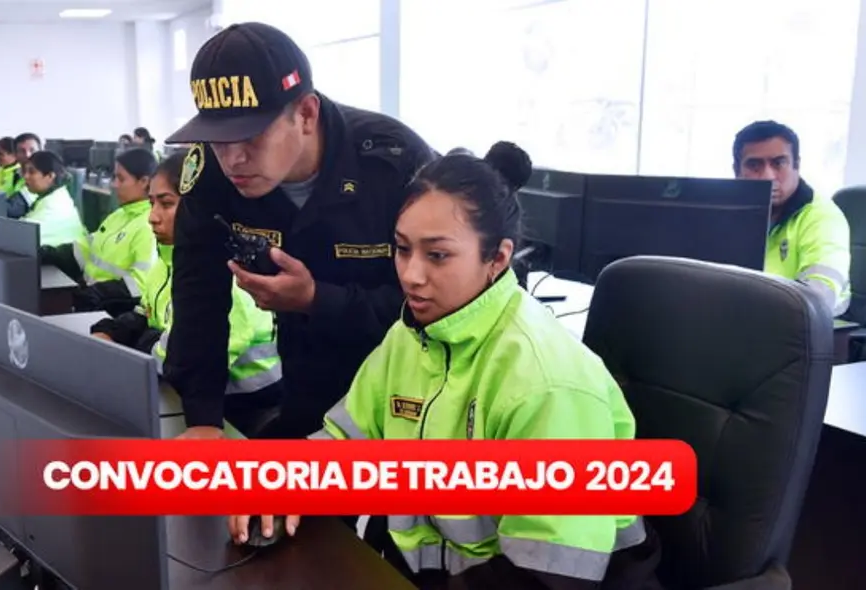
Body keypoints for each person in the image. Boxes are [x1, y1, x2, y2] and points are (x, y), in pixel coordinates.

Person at [227, 143, 664, 590]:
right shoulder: (413, 333)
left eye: (437, 255)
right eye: (401, 249)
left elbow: (545, 577)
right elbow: (347, 442)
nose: (411, 275)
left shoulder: (546, 382)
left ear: (497, 258)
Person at [162, 22, 435, 440]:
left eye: (249, 136)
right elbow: (197, 296)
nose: (233, 159)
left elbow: (441, 308)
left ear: (305, 114)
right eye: (218, 139)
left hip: (409, 403)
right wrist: (203, 420)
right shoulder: (209, 176)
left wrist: (317, 300)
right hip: (305, 389)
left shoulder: (394, 163)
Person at [89, 153, 282, 436]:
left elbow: (182, 360)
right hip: (191, 403)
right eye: (152, 203)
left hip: (245, 414)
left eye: (166, 204)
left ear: (199, 208)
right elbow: (148, 313)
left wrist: (140, 346)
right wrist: (112, 330)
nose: (152, 217)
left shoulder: (228, 278)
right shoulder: (164, 265)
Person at [733, 120, 852, 316]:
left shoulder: (822, 217)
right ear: (737, 171)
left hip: (810, 331)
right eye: (754, 165)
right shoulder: (727, 211)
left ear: (797, 165)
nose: (767, 177)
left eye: (778, 163)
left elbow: (818, 300)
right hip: (741, 321)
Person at [40, 148, 158, 314]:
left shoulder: (149, 225)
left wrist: (97, 293)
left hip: (115, 311)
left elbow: (140, 284)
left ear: (144, 182)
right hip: (92, 300)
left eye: (121, 179)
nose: (114, 184)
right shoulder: (118, 215)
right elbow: (85, 249)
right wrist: (46, 254)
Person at [21, 150, 86, 247]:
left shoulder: (54, 206)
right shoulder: (56, 195)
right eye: (25, 171)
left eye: (31, 172)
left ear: (50, 176)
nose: (25, 176)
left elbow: (21, 235)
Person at [7, 132, 42, 218]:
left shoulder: (43, 177)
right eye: (22, 151)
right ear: (15, 154)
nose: (28, 155)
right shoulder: (10, 173)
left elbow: (13, 209)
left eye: (32, 150)